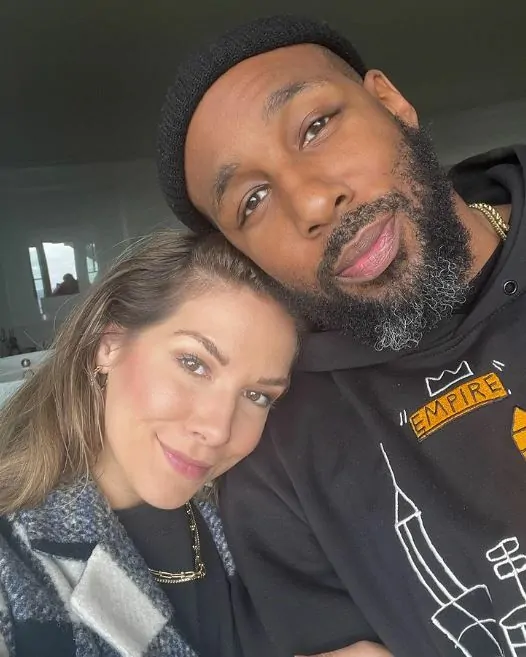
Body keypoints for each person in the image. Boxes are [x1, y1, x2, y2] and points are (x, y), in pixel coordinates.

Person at [157, 14, 526, 657]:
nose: (310, 203)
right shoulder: (275, 461)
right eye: (252, 201)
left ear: (391, 102)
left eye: (315, 127)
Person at [0, 229, 301, 657]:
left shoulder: (251, 513)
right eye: (194, 363)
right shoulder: (13, 569)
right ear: (109, 345)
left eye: (257, 396)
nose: (218, 429)